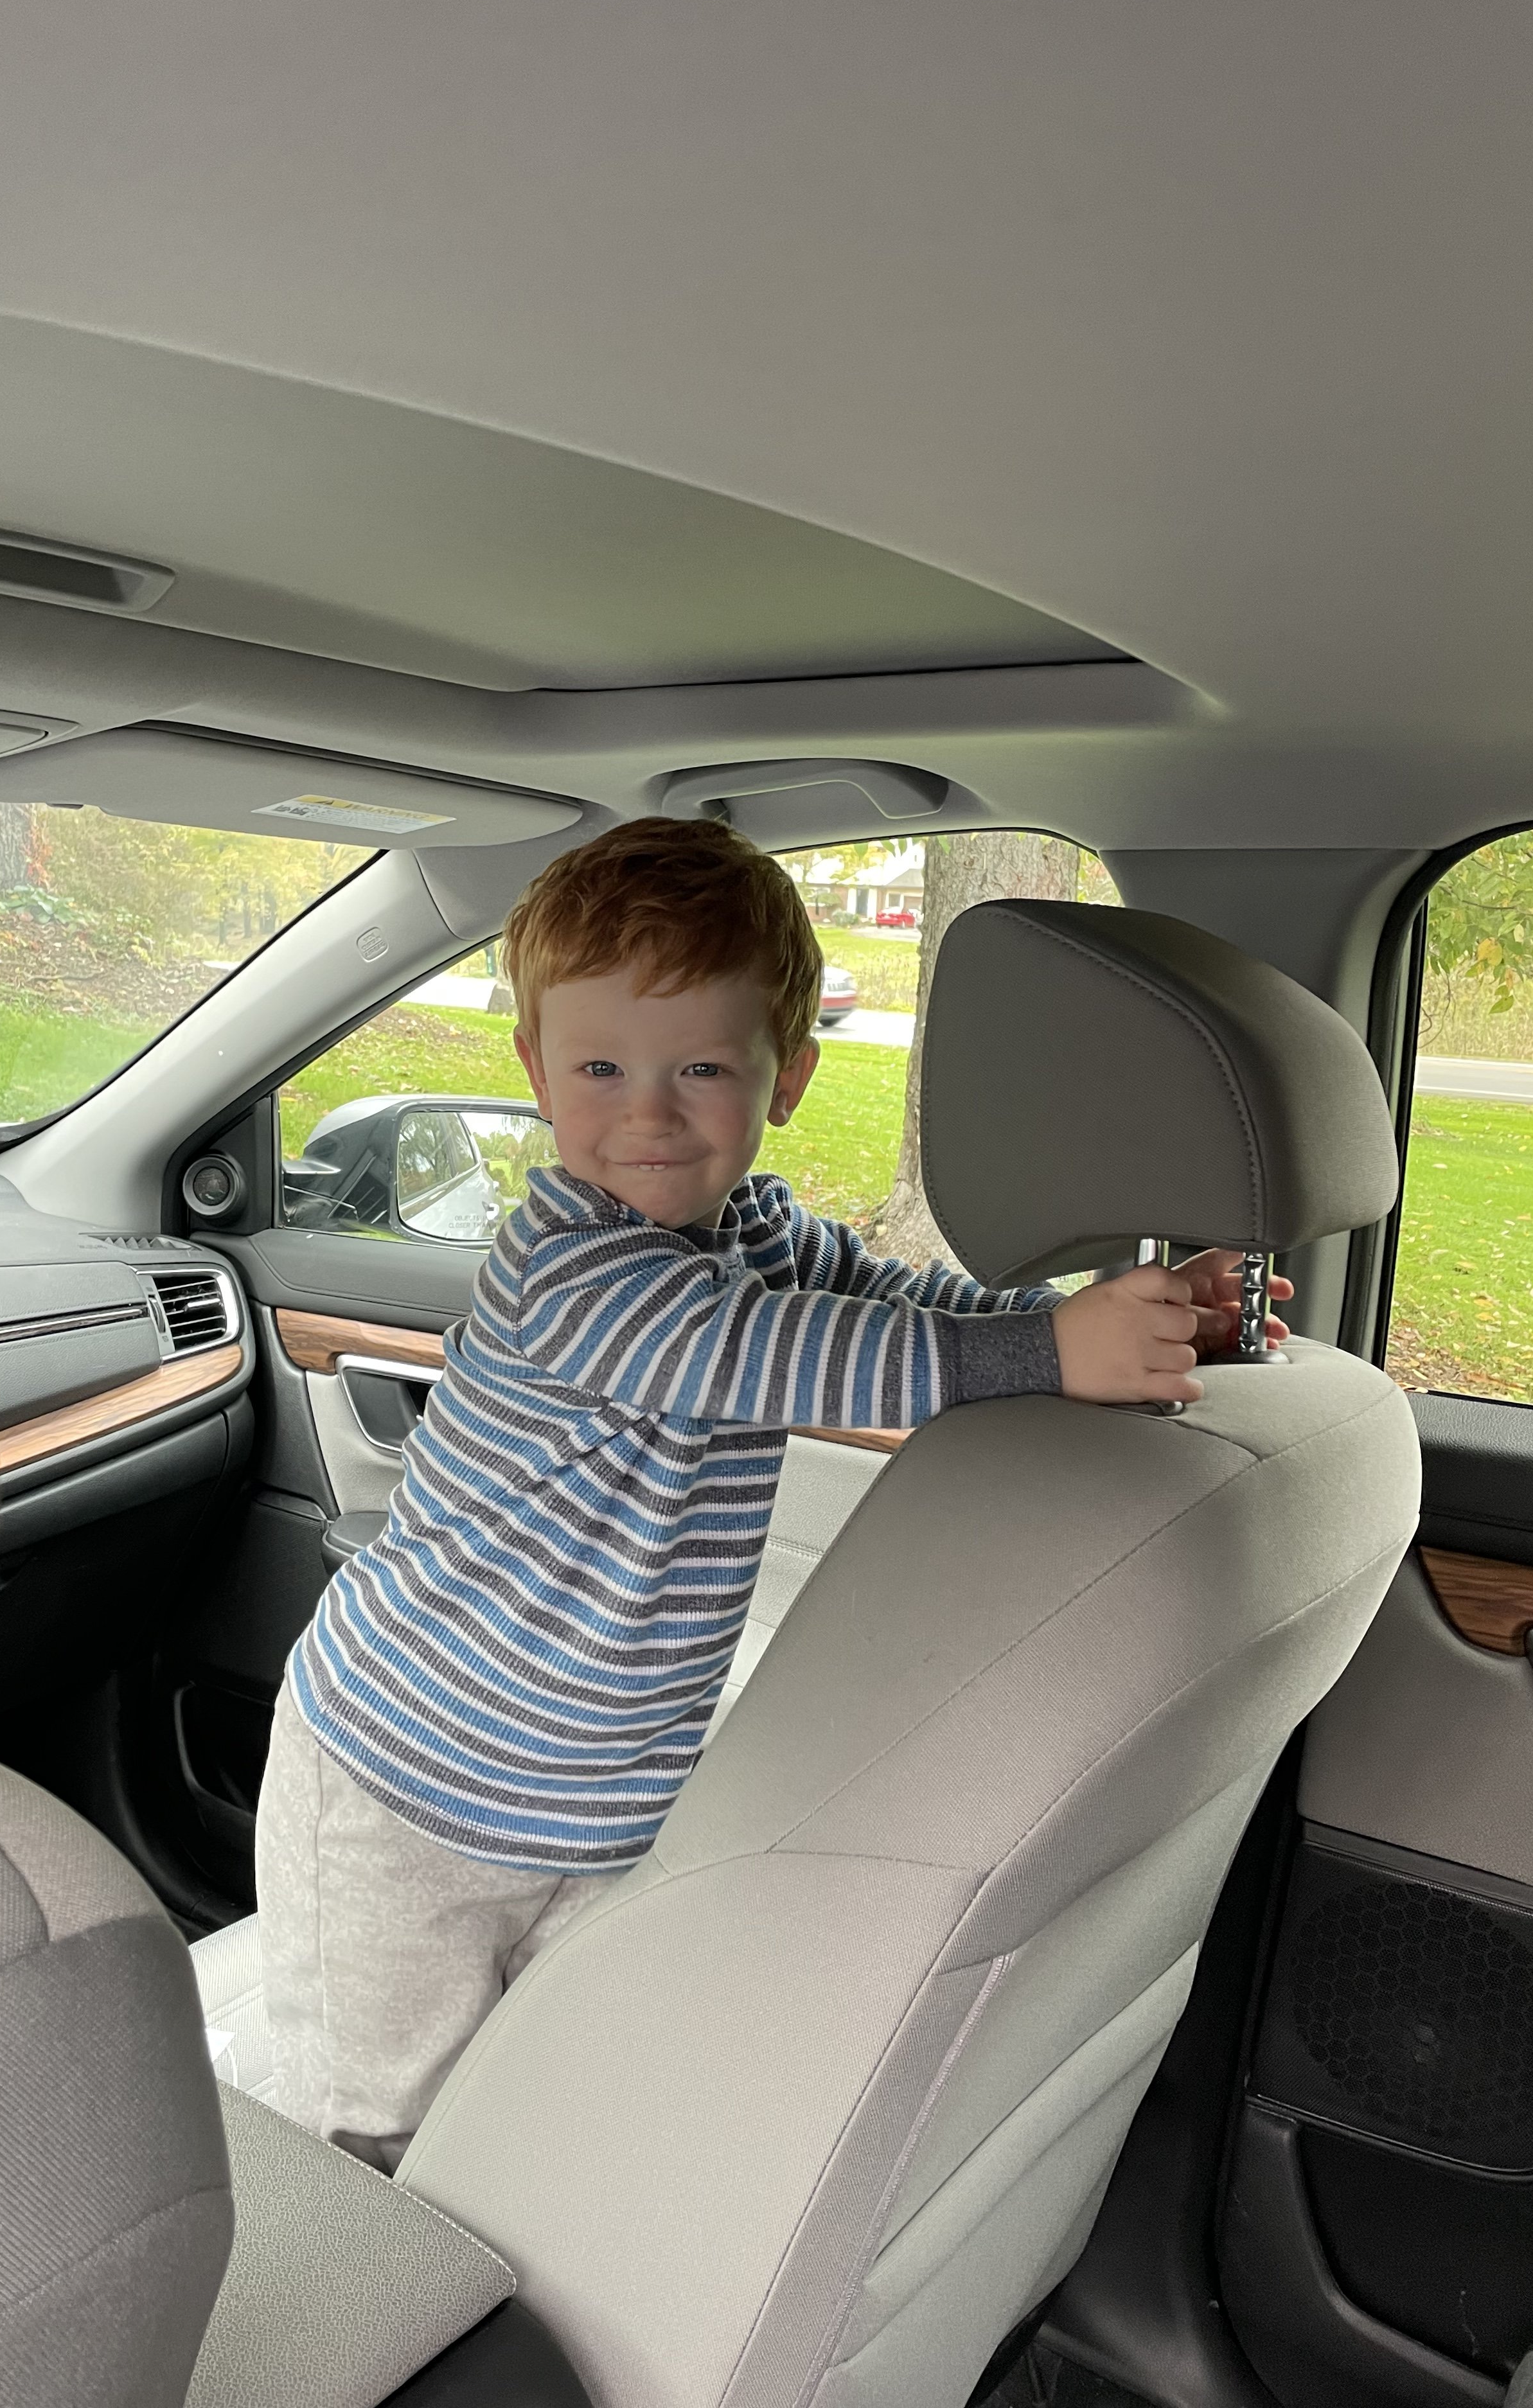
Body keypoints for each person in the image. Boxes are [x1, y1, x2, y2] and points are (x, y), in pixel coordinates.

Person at [254, 817, 1286, 2169]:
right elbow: (767, 1353)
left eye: (701, 1067)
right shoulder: (563, 1268)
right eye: (602, 1068)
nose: (649, 1114)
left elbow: (897, 1303)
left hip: (601, 1808)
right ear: (535, 1072)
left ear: (785, 1076)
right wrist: (1051, 1354)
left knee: (527, 2105)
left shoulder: (758, 1232)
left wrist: (1105, 1322)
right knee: (369, 2132)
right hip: (403, 1789)